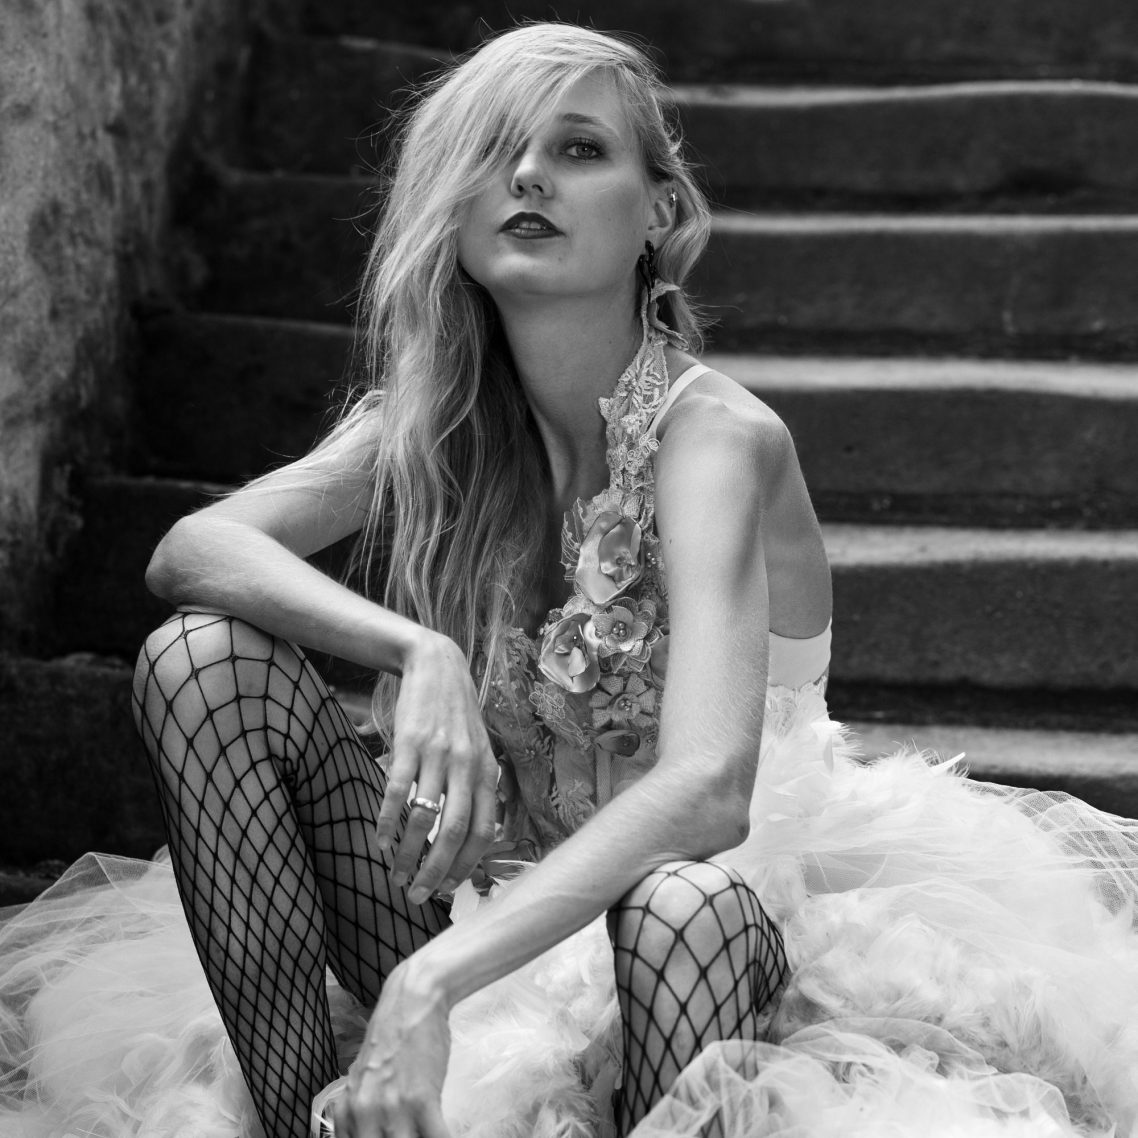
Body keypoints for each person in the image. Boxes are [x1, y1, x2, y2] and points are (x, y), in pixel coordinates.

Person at [2, 20, 1138, 1138]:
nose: (530, 175)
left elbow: (709, 789)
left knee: (678, 901)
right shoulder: (432, 423)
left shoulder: (714, 440)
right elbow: (194, 550)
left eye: (580, 148)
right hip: (483, 917)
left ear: (659, 213)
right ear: (451, 211)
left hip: (709, 957)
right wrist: (418, 652)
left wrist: (430, 982)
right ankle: (299, 1121)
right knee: (202, 658)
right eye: (494, 151)